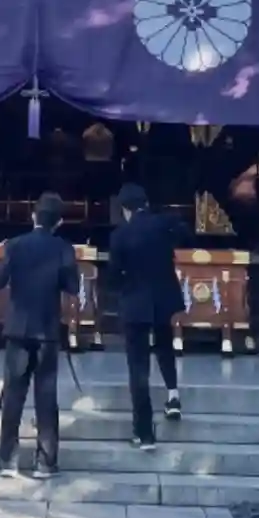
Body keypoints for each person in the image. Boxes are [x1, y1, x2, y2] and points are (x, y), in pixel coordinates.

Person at [0, 191, 79, 479]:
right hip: (47, 328)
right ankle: (45, 461)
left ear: (33, 216)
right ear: (59, 222)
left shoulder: (15, 245)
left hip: (18, 327)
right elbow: (73, 287)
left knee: (13, 394)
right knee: (46, 395)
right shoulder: (63, 248)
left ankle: (8, 459)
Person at [105, 183, 190, 449]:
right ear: (146, 203)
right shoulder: (164, 224)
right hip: (164, 299)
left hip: (135, 303)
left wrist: (121, 287)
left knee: (138, 367)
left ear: (125, 209)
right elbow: (186, 234)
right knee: (165, 346)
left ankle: (144, 433)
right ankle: (173, 396)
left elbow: (113, 276)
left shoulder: (120, 235)